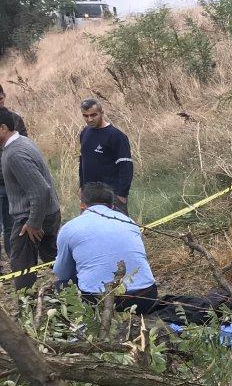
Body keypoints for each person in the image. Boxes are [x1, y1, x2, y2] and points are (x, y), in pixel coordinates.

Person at [53, 182, 157, 313]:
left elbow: (62, 273)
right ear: (112, 205)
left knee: (61, 285)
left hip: (99, 301)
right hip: (146, 296)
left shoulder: (69, 228)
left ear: (82, 205)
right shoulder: (129, 222)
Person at [0, 109, 60, 290]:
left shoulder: (14, 154)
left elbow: (40, 189)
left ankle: (27, 307)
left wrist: (33, 222)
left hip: (30, 218)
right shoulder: (22, 142)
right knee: (55, 259)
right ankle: (78, 291)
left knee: (21, 266)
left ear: (3, 128)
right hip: (48, 212)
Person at [79, 99, 133, 212]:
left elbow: (126, 166)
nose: (89, 119)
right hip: (89, 195)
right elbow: (83, 160)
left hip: (111, 196)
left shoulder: (116, 136)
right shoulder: (85, 133)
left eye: (93, 115)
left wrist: (121, 195)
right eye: (85, 116)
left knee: (116, 228)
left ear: (102, 113)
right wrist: (82, 187)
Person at [0, 86, 29, 261]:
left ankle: (14, 262)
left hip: (11, 184)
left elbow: (23, 145)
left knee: (12, 227)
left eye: (0, 98)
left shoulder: (15, 119)